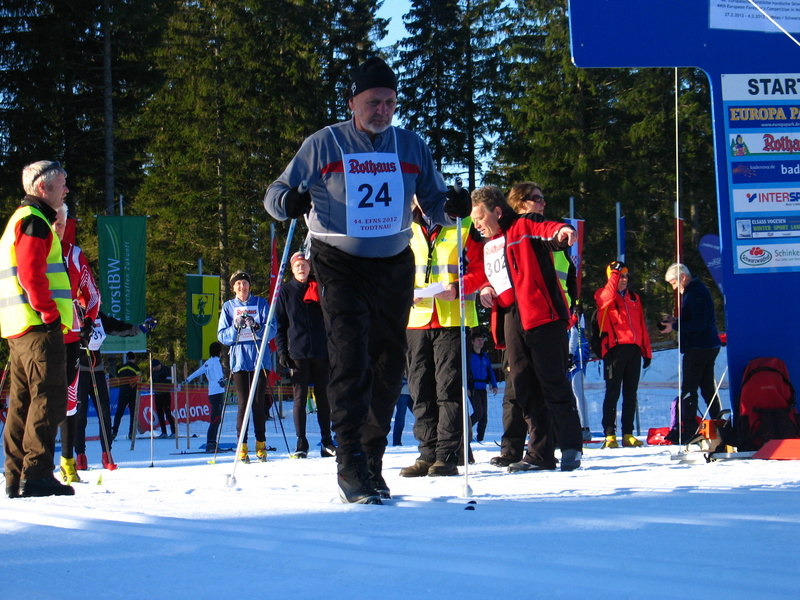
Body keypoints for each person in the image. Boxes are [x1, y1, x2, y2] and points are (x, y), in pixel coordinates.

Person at [264, 57, 470, 503]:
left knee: (388, 364)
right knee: (349, 357)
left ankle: (371, 460)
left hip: (394, 262)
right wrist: (290, 201)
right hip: (339, 261)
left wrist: (454, 208)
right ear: (352, 102)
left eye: (390, 103)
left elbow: (435, 204)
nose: (382, 111)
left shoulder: (410, 146)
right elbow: (274, 195)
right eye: (373, 102)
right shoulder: (325, 143)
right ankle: (349, 460)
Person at [471, 185, 583, 473]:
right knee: (523, 386)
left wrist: (562, 231)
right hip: (510, 317)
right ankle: (539, 453)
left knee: (552, 381)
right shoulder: (489, 243)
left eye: (480, 218)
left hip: (541, 314)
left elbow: (546, 229)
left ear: (497, 212)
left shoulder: (523, 224)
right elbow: (489, 275)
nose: (477, 225)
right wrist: (484, 288)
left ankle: (571, 446)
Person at [0, 160, 74, 498]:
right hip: (37, 327)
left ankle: (16, 475)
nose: (67, 189)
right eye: (62, 183)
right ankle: (36, 473)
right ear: (43, 187)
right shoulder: (35, 221)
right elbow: (31, 273)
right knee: (48, 398)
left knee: (22, 402)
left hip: (18, 326)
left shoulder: (20, 219)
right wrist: (49, 314)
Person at [399, 198, 485, 479]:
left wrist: (459, 287)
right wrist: (402, 292)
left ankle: (447, 455)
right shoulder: (402, 224)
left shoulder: (464, 224)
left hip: (452, 318)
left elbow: (482, 269)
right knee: (419, 389)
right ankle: (427, 453)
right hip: (416, 319)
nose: (423, 199)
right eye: (418, 194)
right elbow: (393, 268)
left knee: (448, 389)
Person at [53, 204, 101, 483]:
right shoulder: (34, 249)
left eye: (60, 224)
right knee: (39, 398)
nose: (56, 229)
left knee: (70, 399)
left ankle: (67, 461)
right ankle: (33, 464)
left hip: (70, 334)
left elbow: (92, 295)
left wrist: (89, 322)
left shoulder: (73, 254)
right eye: (52, 223)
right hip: (38, 334)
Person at [75, 311, 155, 469]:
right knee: (80, 415)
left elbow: (118, 327)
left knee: (105, 413)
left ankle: (107, 454)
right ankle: (80, 456)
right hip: (80, 370)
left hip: (97, 370)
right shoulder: (73, 313)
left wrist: (140, 328)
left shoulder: (98, 316)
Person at [275, 251, 335, 459]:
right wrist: (282, 351)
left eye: (304, 265)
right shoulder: (286, 292)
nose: (301, 268)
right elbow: (281, 325)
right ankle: (301, 441)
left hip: (321, 351)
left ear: (309, 267)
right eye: (297, 265)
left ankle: (326, 440)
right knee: (299, 398)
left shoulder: (319, 287)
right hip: (297, 353)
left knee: (323, 397)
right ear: (292, 269)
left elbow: (331, 318)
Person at [217, 270, 276, 463]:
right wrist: (235, 327)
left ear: (250, 285)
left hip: (259, 359)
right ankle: (241, 446)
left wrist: (257, 327)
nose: (242, 286)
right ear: (233, 288)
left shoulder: (261, 303)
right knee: (243, 404)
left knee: (259, 403)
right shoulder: (228, 307)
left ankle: (261, 444)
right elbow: (222, 336)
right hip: (240, 360)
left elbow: (272, 329)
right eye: (238, 284)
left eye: (244, 283)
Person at [594, 260, 653, 448]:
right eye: (620, 276)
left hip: (633, 350)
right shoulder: (603, 294)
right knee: (612, 393)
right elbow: (606, 298)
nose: (624, 279)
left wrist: (647, 351)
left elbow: (642, 325)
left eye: (626, 276)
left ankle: (628, 433)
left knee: (630, 393)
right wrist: (614, 274)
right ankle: (610, 434)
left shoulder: (634, 297)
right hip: (614, 350)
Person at [661, 263, 722, 444]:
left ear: (683, 277)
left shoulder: (695, 294)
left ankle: (688, 429)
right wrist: (676, 320)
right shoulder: (695, 291)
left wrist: (674, 326)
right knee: (707, 388)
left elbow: (698, 324)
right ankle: (719, 423)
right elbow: (695, 319)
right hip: (707, 345)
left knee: (689, 388)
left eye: (674, 283)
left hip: (699, 347)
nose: (674, 288)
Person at [181, 342, 225, 453]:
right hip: (217, 393)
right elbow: (218, 373)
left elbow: (198, 371)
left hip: (212, 393)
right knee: (216, 419)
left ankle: (212, 442)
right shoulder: (216, 362)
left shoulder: (208, 362)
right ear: (219, 352)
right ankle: (210, 443)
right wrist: (221, 381)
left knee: (216, 419)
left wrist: (188, 379)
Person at [467, 331, 498, 443]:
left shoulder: (485, 356)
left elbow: (490, 371)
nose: (481, 342)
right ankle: (464, 431)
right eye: (478, 340)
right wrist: (467, 387)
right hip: (473, 388)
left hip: (482, 388)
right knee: (478, 412)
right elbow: (465, 372)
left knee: (484, 416)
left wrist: (494, 384)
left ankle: (480, 439)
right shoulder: (469, 357)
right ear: (472, 342)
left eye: (482, 340)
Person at [113, 352, 141, 441]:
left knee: (119, 413)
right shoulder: (136, 368)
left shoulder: (120, 367)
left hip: (123, 392)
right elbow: (139, 379)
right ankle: (131, 433)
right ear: (134, 358)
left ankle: (114, 432)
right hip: (133, 393)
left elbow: (117, 376)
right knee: (133, 414)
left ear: (127, 358)